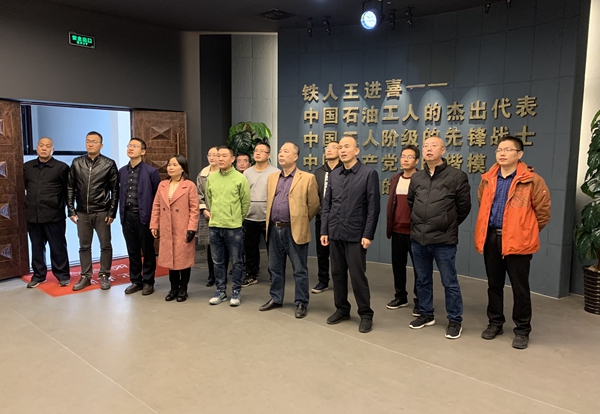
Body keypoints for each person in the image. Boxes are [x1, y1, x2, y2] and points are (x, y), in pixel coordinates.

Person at [474, 136, 551, 350]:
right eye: (499, 149)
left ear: (520, 154)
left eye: (508, 149)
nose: (502, 153)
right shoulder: (488, 179)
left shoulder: (532, 180)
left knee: (520, 287)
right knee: (494, 284)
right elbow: (483, 204)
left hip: (518, 241)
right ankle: (495, 323)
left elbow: (543, 212)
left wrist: (526, 231)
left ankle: (522, 330)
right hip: (492, 238)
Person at [407, 136, 471, 339]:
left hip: (444, 240)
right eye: (425, 146)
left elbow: (464, 207)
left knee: (449, 281)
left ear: (443, 150)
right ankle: (426, 314)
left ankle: (455, 320)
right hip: (419, 238)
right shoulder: (417, 177)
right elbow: (411, 202)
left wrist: (446, 223)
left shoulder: (456, 176)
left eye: (433, 146)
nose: (428, 149)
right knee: (422, 280)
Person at [320, 135, 380, 333]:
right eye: (340, 147)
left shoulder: (368, 174)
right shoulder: (334, 175)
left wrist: (368, 234)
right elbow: (327, 205)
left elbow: (373, 208)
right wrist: (324, 230)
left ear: (357, 151)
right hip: (335, 232)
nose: (343, 150)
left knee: (357, 276)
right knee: (337, 274)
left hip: (356, 234)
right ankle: (342, 309)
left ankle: (366, 314)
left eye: (347, 147)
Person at [259, 142, 319, 318]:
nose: (281, 154)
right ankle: (276, 298)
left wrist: (299, 220)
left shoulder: (307, 178)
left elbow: (314, 205)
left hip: (294, 229)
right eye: (280, 151)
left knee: (299, 269)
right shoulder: (272, 178)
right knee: (275, 267)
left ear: (295, 156)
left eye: (286, 151)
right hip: (274, 229)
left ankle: (301, 302)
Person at [67, 131, 119, 291]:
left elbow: (115, 190)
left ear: (101, 145)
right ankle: (85, 276)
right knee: (84, 246)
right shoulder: (77, 163)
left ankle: (104, 275)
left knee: (105, 245)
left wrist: (112, 212)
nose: (90, 144)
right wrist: (71, 210)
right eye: (88, 141)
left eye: (94, 141)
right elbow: (70, 187)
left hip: (102, 211)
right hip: (82, 212)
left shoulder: (108, 164)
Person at [150, 155, 199, 302]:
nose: (170, 168)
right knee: (170, 261)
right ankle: (173, 289)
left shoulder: (189, 185)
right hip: (167, 228)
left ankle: (183, 289)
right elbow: (156, 206)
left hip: (182, 228)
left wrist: (192, 228)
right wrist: (154, 224)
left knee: (183, 261)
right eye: (169, 165)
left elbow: (194, 209)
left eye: (175, 165)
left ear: (182, 168)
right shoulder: (163, 185)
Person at [206, 145, 250, 306]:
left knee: (237, 261)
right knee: (218, 261)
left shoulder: (240, 178)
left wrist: (236, 218)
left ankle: (236, 291)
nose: (220, 159)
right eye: (218, 155)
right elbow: (209, 199)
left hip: (233, 227)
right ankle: (220, 291)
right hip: (215, 226)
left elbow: (245, 203)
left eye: (224, 156)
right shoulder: (211, 178)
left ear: (232, 159)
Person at [23, 137, 71, 288]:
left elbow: (68, 191)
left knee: (58, 247)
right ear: (37, 148)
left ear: (53, 150)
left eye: (48, 146)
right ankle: (39, 275)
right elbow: (26, 187)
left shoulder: (61, 167)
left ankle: (62, 275)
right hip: (33, 215)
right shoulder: (27, 167)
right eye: (41, 146)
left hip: (54, 215)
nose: (44, 148)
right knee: (36, 247)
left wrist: (65, 208)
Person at [119, 138, 161, 296]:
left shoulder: (151, 172)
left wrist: (155, 219)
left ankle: (148, 281)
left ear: (143, 151)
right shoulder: (122, 171)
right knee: (132, 250)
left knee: (148, 250)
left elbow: (157, 197)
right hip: (127, 215)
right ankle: (136, 281)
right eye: (129, 145)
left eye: (135, 146)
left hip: (144, 216)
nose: (131, 148)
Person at [386, 145, 420, 314]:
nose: (405, 160)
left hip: (416, 232)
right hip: (397, 230)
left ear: (417, 161)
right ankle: (400, 297)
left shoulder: (421, 179)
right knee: (398, 266)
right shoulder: (395, 179)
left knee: (419, 269)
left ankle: (420, 301)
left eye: (410, 157)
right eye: (403, 156)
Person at [242, 142, 279, 287]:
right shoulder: (247, 173)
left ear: (268, 155)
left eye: (262, 151)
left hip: (269, 218)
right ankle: (251, 274)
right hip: (250, 216)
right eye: (256, 150)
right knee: (250, 248)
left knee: (273, 249)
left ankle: (274, 275)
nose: (257, 153)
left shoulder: (275, 172)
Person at [312, 140, 343, 294]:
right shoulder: (318, 172)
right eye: (327, 147)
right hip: (321, 219)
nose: (329, 150)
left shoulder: (344, 170)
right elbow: (314, 196)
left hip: (339, 220)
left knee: (339, 254)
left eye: (333, 147)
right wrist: (320, 212)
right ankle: (323, 281)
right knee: (322, 252)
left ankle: (340, 282)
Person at [197, 146, 225, 287]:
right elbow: (199, 194)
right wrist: (204, 210)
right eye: (210, 155)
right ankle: (211, 275)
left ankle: (222, 275)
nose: (212, 157)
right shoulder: (202, 174)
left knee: (224, 246)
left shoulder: (225, 173)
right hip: (208, 215)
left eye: (216, 154)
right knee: (210, 247)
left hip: (225, 215)